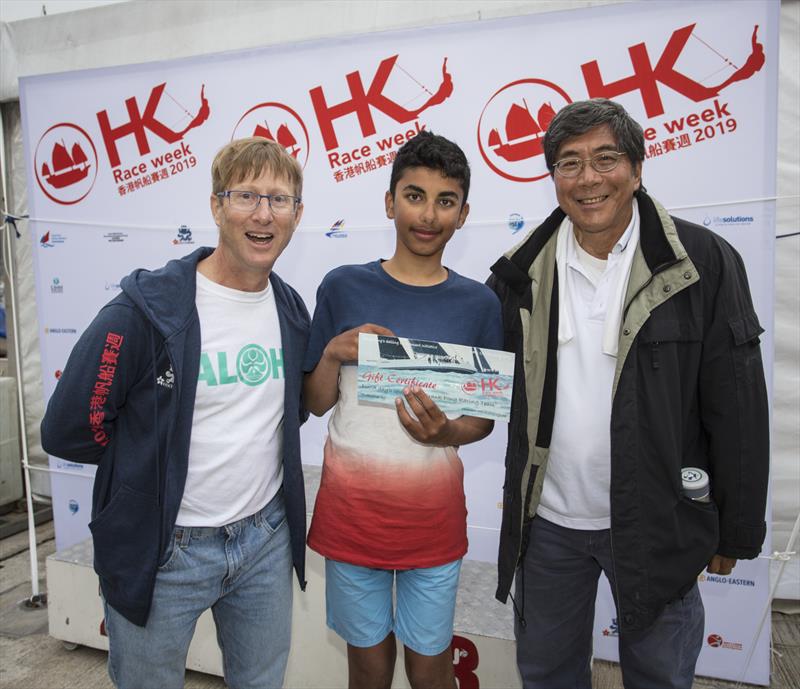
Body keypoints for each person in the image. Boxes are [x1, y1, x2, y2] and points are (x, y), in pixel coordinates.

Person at [487, 99, 769, 689]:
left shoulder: (704, 263)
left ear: (637, 170)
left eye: (606, 159)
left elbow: (737, 407)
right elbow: (496, 395)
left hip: (659, 522)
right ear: (553, 178)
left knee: (661, 676)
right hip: (548, 525)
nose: (588, 178)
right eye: (569, 163)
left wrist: (736, 530)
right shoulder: (517, 273)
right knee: (545, 675)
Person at [41, 137, 310, 689]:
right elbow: (70, 428)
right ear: (216, 207)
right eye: (246, 196)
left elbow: (284, 414)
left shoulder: (289, 307)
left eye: (279, 200)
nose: (263, 214)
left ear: (297, 214)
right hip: (167, 552)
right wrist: (145, 474)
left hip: (264, 540)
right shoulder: (143, 311)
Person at [303, 131, 502, 689]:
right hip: (353, 516)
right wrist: (332, 352)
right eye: (414, 195)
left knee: (430, 665)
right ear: (390, 202)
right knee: (366, 667)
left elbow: (482, 421)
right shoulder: (343, 287)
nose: (429, 214)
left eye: (446, 201)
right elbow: (315, 403)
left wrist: (444, 433)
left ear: (463, 214)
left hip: (432, 521)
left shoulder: (479, 304)